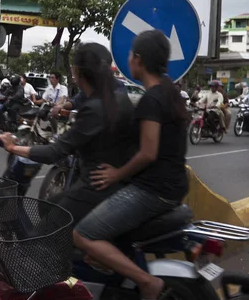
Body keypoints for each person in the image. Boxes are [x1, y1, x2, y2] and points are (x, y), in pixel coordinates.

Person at [72, 30, 189, 300]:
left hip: (153, 190)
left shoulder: (151, 99)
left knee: (83, 234)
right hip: (173, 185)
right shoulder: (169, 91)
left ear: (138, 59)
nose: (128, 59)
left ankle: (146, 281)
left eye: (130, 55)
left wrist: (116, 174)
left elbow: (148, 153)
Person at [0, 43, 137, 225]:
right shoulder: (116, 98)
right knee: (51, 205)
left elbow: (54, 152)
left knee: (46, 233)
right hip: (115, 182)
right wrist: (60, 107)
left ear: (77, 72)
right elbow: (74, 102)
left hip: (96, 186)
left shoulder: (95, 108)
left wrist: (12, 147)